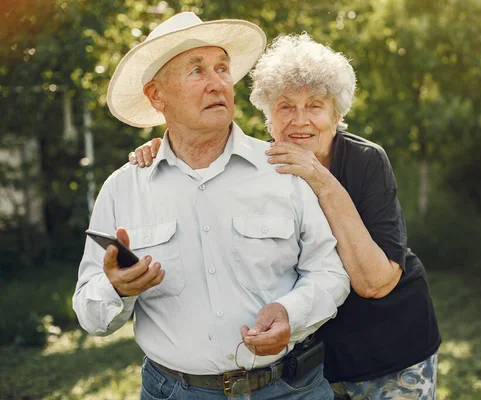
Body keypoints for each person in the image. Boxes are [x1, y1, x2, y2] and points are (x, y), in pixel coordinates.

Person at [131, 33, 442, 399]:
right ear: (268, 115)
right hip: (310, 362)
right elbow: (201, 158)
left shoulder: (365, 161)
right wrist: (167, 147)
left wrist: (322, 180)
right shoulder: (260, 165)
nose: (300, 120)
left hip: (390, 348)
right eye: (284, 106)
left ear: (336, 114)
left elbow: (376, 282)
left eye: (314, 106)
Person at [73, 14, 351, 400]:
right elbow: (90, 314)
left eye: (222, 68)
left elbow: (329, 271)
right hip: (174, 392)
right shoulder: (123, 189)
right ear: (157, 96)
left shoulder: (284, 169)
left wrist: (292, 313)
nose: (218, 82)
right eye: (196, 70)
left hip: (291, 388)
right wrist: (116, 289)